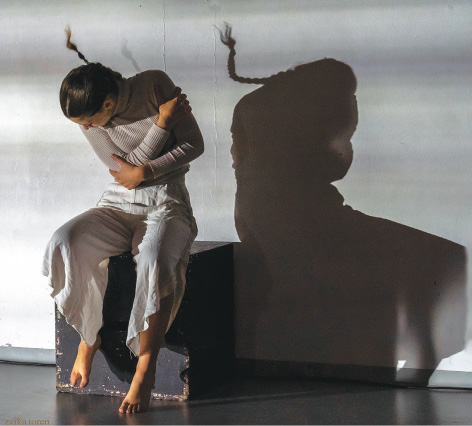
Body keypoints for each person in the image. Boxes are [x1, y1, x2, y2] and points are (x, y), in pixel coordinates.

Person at [42, 29, 204, 414]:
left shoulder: (153, 85)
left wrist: (144, 169)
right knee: (65, 241)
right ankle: (89, 337)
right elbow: (123, 172)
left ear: (109, 102)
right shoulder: (90, 119)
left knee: (154, 260)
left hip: (167, 201)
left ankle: (145, 368)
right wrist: (161, 126)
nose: (87, 128)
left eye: (89, 121)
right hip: (117, 202)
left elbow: (194, 145)